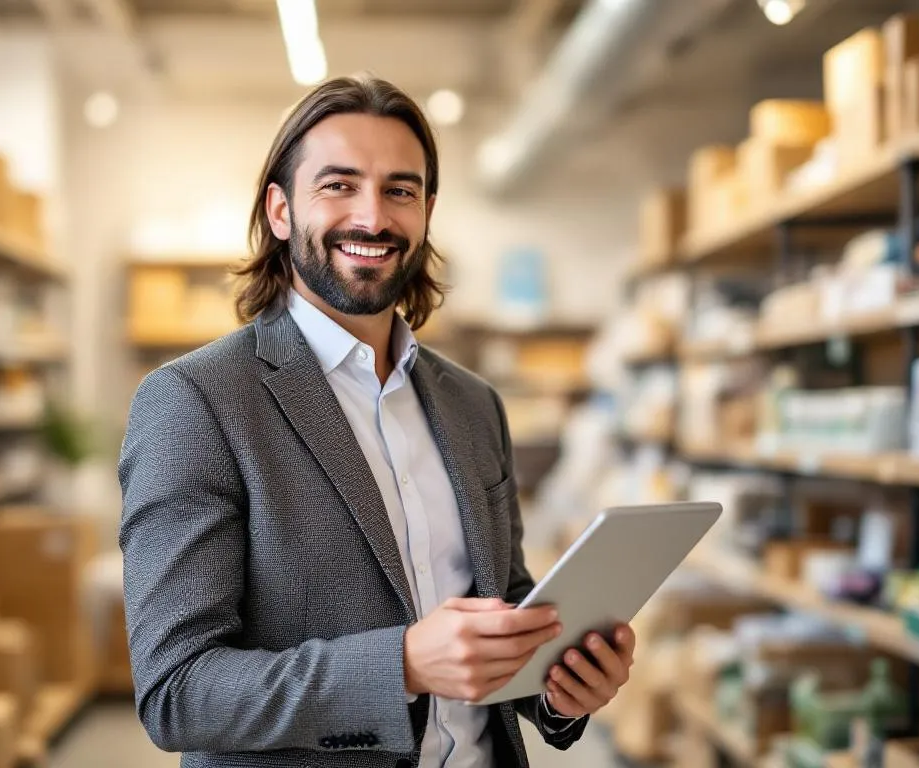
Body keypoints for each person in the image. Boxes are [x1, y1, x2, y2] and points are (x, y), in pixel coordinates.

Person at [118, 74, 636, 768]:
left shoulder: (472, 405)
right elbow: (178, 691)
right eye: (338, 185)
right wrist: (400, 666)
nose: (374, 217)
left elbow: (500, 605)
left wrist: (558, 688)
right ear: (279, 210)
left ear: (426, 211)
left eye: (400, 189)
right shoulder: (196, 402)